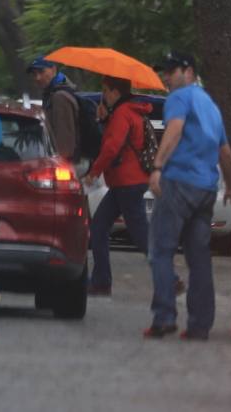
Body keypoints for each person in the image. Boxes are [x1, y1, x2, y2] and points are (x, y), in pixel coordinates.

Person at [144, 52, 231, 339]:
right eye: (165, 71)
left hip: (179, 182)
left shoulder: (179, 97)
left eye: (172, 71)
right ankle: (199, 326)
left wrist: (158, 166)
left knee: (160, 250)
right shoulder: (211, 105)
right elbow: (225, 151)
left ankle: (164, 317)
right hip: (206, 188)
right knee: (199, 258)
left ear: (189, 71)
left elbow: (174, 128)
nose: (166, 77)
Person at [83, 76, 151, 297]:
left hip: (127, 182)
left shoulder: (123, 113)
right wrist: (103, 121)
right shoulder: (129, 111)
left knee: (139, 234)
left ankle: (169, 276)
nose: (104, 95)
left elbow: (112, 147)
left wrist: (94, 172)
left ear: (115, 92)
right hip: (127, 181)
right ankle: (101, 281)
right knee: (99, 227)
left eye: (106, 90)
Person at [26, 56, 79, 172]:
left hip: (68, 165)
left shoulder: (59, 97)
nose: (37, 77)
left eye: (41, 72)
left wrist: (62, 165)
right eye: (34, 74)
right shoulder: (52, 93)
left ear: (53, 69)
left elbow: (64, 136)